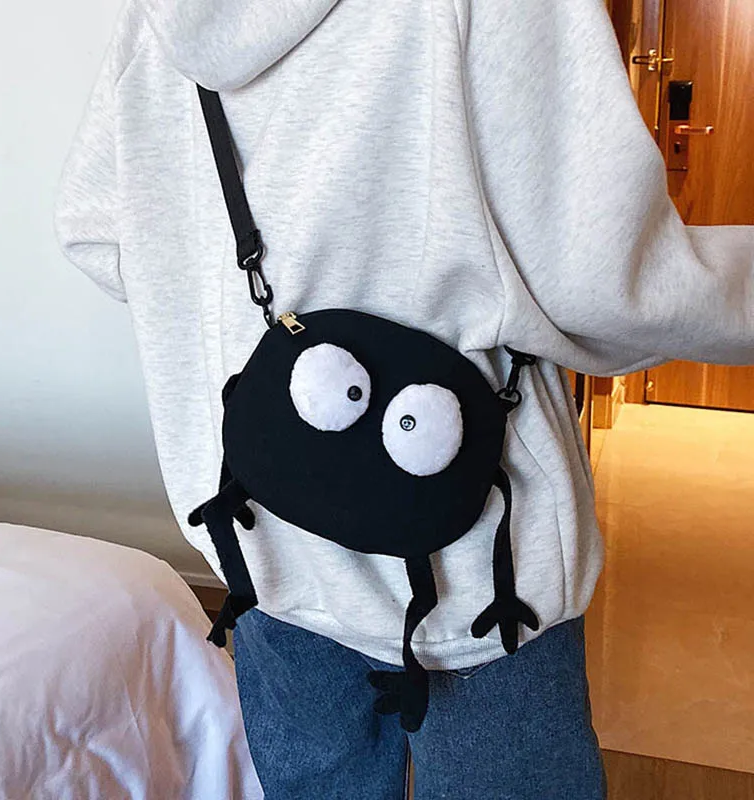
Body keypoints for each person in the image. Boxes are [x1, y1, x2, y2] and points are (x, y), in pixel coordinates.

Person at [54, 0, 754, 797]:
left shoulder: (158, 17)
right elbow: (611, 287)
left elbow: (97, 232)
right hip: (481, 580)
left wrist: (226, 315)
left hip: (268, 539)